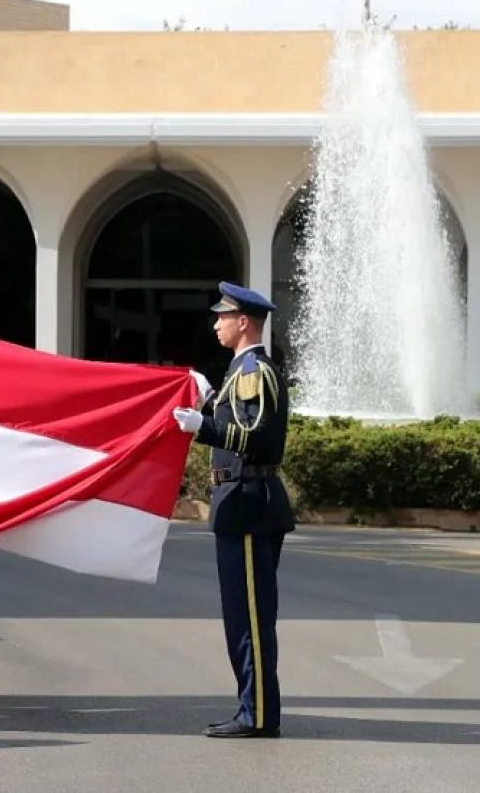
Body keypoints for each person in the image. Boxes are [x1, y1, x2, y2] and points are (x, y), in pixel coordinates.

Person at [172, 282, 295, 740]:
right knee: (243, 617)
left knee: (250, 620)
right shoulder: (240, 371)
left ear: (244, 322)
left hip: (247, 502)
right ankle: (254, 708)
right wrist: (209, 404)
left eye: (222, 317)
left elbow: (256, 437)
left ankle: (257, 713)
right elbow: (239, 423)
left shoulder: (252, 371)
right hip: (242, 501)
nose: (216, 325)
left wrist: (202, 426)